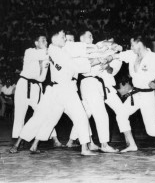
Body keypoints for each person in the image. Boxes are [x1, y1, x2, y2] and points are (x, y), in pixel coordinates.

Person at [17, 27, 110, 155]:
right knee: (42, 117)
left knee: (77, 117)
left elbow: (80, 50)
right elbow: (74, 63)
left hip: (67, 89)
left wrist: (99, 50)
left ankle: (84, 147)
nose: (65, 40)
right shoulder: (52, 50)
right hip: (58, 90)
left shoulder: (63, 49)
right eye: (63, 37)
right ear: (54, 38)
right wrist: (98, 57)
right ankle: (20, 143)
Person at [105, 33, 155, 153]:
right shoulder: (131, 55)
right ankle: (131, 144)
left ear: (139, 43)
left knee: (151, 130)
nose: (131, 47)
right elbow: (118, 56)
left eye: (132, 45)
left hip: (147, 96)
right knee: (121, 114)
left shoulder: (154, 57)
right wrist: (112, 54)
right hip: (135, 94)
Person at [68, 30, 125, 152]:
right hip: (90, 82)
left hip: (95, 83)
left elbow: (105, 46)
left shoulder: (92, 48)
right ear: (82, 39)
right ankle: (104, 145)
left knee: (86, 114)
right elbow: (91, 61)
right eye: (89, 36)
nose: (92, 38)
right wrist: (101, 58)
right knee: (101, 114)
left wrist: (114, 48)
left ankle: (86, 142)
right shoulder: (79, 51)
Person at [9, 34, 63, 154]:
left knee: (44, 112)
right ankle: (19, 142)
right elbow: (42, 54)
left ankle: (54, 138)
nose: (45, 41)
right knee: (19, 114)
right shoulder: (30, 51)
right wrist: (52, 50)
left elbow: (57, 68)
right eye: (42, 40)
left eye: (46, 40)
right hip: (23, 84)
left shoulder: (47, 56)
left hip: (37, 88)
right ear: (36, 43)